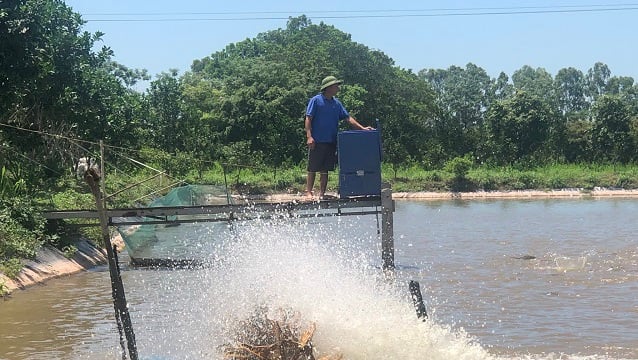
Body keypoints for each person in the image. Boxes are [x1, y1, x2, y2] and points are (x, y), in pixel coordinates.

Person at [304, 75, 374, 199]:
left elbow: (348, 118)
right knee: (313, 167)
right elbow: (308, 118)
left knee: (325, 169)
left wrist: (362, 128)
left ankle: (322, 193)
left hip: (331, 141)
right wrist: (309, 136)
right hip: (317, 140)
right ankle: (309, 192)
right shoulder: (316, 100)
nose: (338, 88)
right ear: (329, 87)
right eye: (336, 85)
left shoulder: (336, 104)